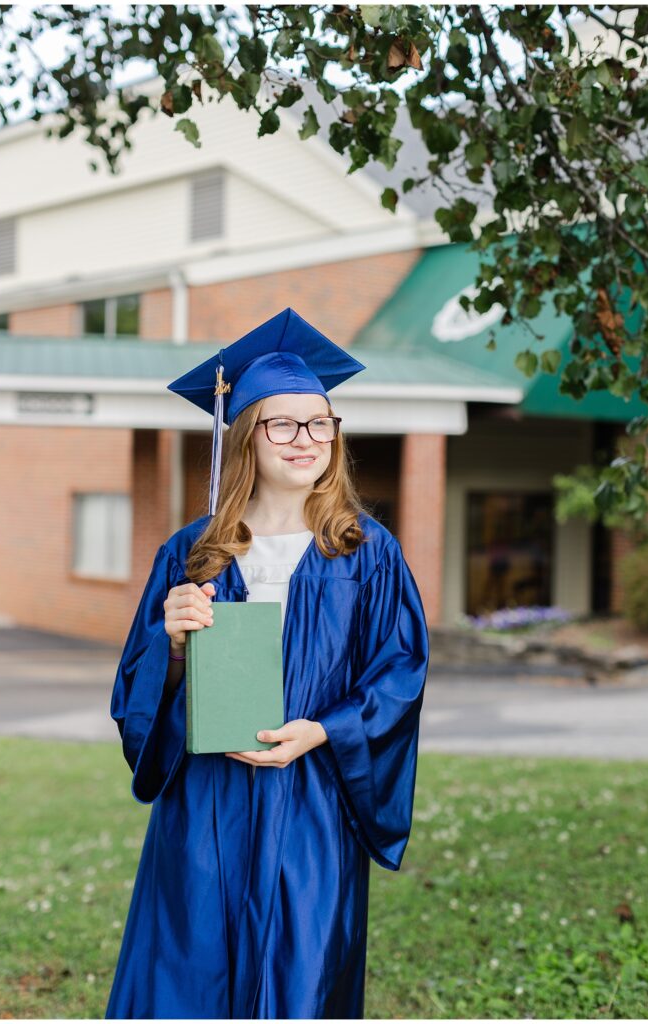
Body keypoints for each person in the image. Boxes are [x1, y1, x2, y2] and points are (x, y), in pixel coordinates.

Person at [105, 307, 430, 1019]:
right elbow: (136, 690)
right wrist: (177, 642)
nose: (305, 438)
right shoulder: (193, 554)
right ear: (246, 434)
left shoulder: (366, 551)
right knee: (191, 967)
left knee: (303, 972)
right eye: (281, 423)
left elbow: (400, 671)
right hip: (206, 805)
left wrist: (320, 730)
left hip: (315, 797)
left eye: (320, 423)